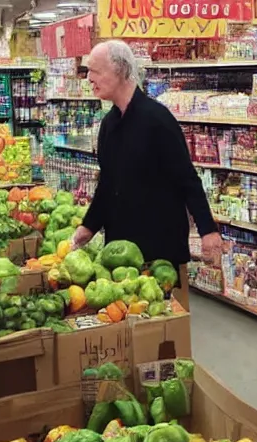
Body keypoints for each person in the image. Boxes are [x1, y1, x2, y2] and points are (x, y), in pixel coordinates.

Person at [71, 40, 221, 302]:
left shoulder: (158, 120)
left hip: (159, 247)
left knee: (163, 329)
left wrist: (208, 230)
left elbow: (187, 178)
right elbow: (107, 184)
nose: (89, 78)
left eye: (95, 71)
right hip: (120, 251)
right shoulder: (108, 124)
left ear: (119, 70)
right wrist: (88, 226)